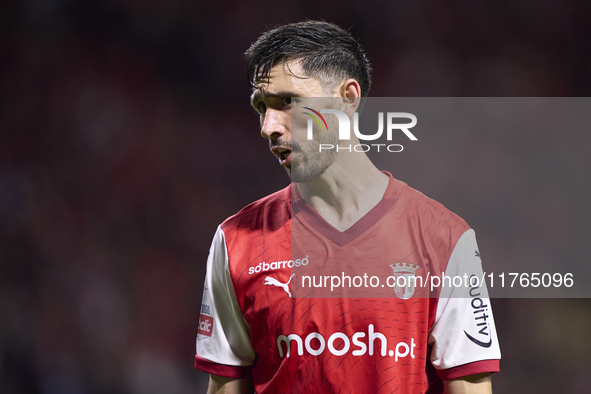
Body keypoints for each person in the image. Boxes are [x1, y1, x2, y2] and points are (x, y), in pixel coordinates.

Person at [194, 21, 500, 393]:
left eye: (287, 101)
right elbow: (225, 384)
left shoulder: (444, 237)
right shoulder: (237, 240)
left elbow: (469, 385)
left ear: (347, 98)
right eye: (261, 107)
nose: (268, 126)